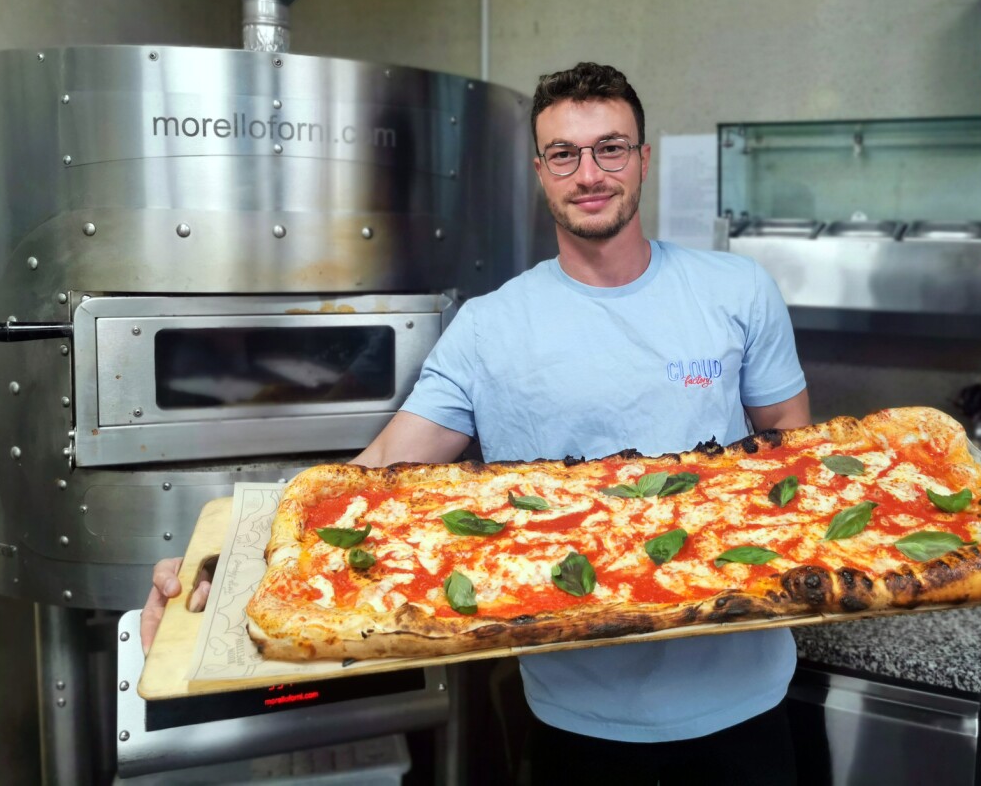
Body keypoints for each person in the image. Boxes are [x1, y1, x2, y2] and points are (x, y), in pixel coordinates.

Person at [143, 61, 810, 784]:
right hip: (577, 710)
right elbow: (374, 476)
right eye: (564, 154)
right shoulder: (488, 326)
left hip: (742, 698)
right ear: (540, 171)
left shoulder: (737, 290)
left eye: (611, 148)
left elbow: (793, 457)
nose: (590, 174)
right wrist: (231, 565)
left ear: (643, 159)